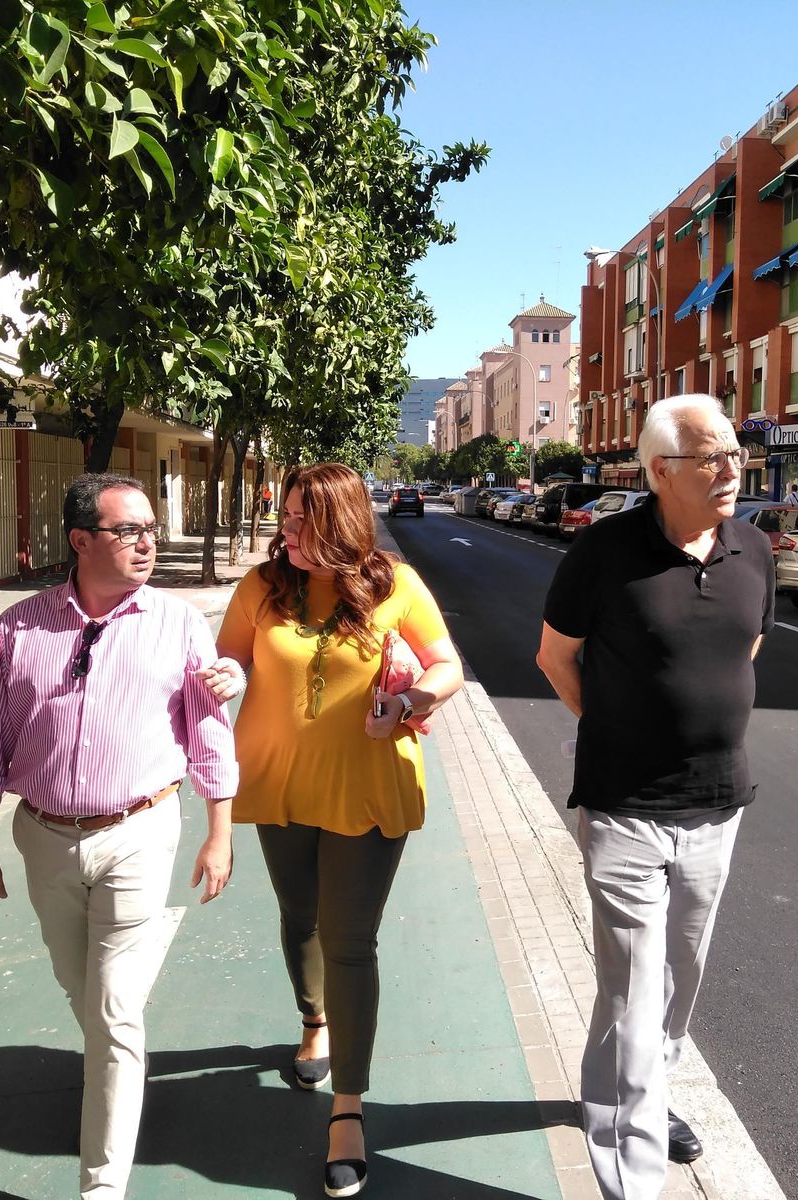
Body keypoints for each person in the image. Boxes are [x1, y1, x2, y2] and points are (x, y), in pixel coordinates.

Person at [0, 473, 238, 1200]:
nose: (148, 542)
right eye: (128, 531)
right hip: (43, 836)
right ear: (82, 541)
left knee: (112, 1008)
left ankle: (102, 1184)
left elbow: (207, 731)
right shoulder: (17, 629)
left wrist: (219, 830)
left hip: (140, 829)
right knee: (81, 989)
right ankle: (117, 1078)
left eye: (151, 529)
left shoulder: (178, 623)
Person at [536, 396, 775, 1200]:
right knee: (637, 994)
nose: (732, 469)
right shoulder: (601, 554)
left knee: (675, 980)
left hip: (718, 806)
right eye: (713, 456)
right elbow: (554, 658)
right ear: (662, 469)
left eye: (736, 453)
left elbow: (748, 648)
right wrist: (615, 726)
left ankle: (642, 1094)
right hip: (625, 808)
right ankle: (633, 1178)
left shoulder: (754, 549)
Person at [202, 462, 461, 1198]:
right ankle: (311, 1020)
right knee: (299, 916)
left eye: (296, 522)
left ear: (337, 524)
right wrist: (225, 675)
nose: (282, 532)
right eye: (282, 519)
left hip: (369, 784)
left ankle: (347, 1105)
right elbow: (233, 656)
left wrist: (410, 698)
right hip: (278, 779)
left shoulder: (395, 585)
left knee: (350, 941)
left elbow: (447, 665)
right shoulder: (262, 586)